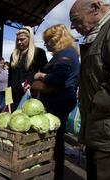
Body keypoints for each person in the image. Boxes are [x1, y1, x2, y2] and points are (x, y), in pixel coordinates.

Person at [69, 0, 110, 179]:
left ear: (96, 8)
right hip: (101, 130)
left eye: (75, 20)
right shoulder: (102, 32)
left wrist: (94, 104)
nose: (73, 27)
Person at [33, 24, 80, 180]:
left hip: (58, 101)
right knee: (55, 138)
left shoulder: (65, 53)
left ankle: (54, 172)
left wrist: (41, 76)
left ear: (56, 39)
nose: (46, 45)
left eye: (47, 41)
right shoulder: (64, 53)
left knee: (55, 139)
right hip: (59, 100)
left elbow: (57, 79)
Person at [8, 26, 48, 111]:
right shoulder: (13, 55)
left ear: (30, 39)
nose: (19, 42)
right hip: (13, 95)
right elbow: (10, 77)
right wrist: (7, 96)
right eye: (17, 40)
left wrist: (33, 84)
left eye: (22, 39)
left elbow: (44, 73)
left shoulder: (39, 53)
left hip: (30, 95)